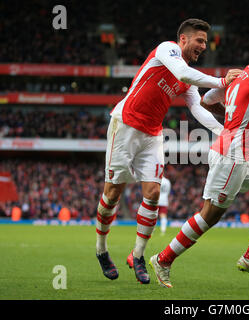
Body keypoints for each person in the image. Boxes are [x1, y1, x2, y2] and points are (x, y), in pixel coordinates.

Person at [95, 18, 241, 284]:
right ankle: (101, 249)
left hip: (152, 134)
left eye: (206, 43)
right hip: (125, 123)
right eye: (200, 41)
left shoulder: (189, 80)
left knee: (152, 193)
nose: (203, 47)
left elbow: (197, 109)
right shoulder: (167, 50)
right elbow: (183, 73)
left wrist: (225, 132)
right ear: (183, 39)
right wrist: (221, 81)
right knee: (113, 192)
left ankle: (138, 256)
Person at [149, 46, 249, 288]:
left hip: (243, 153)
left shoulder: (237, 76)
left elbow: (206, 101)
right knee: (209, 215)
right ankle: (163, 259)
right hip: (232, 154)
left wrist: (229, 112)